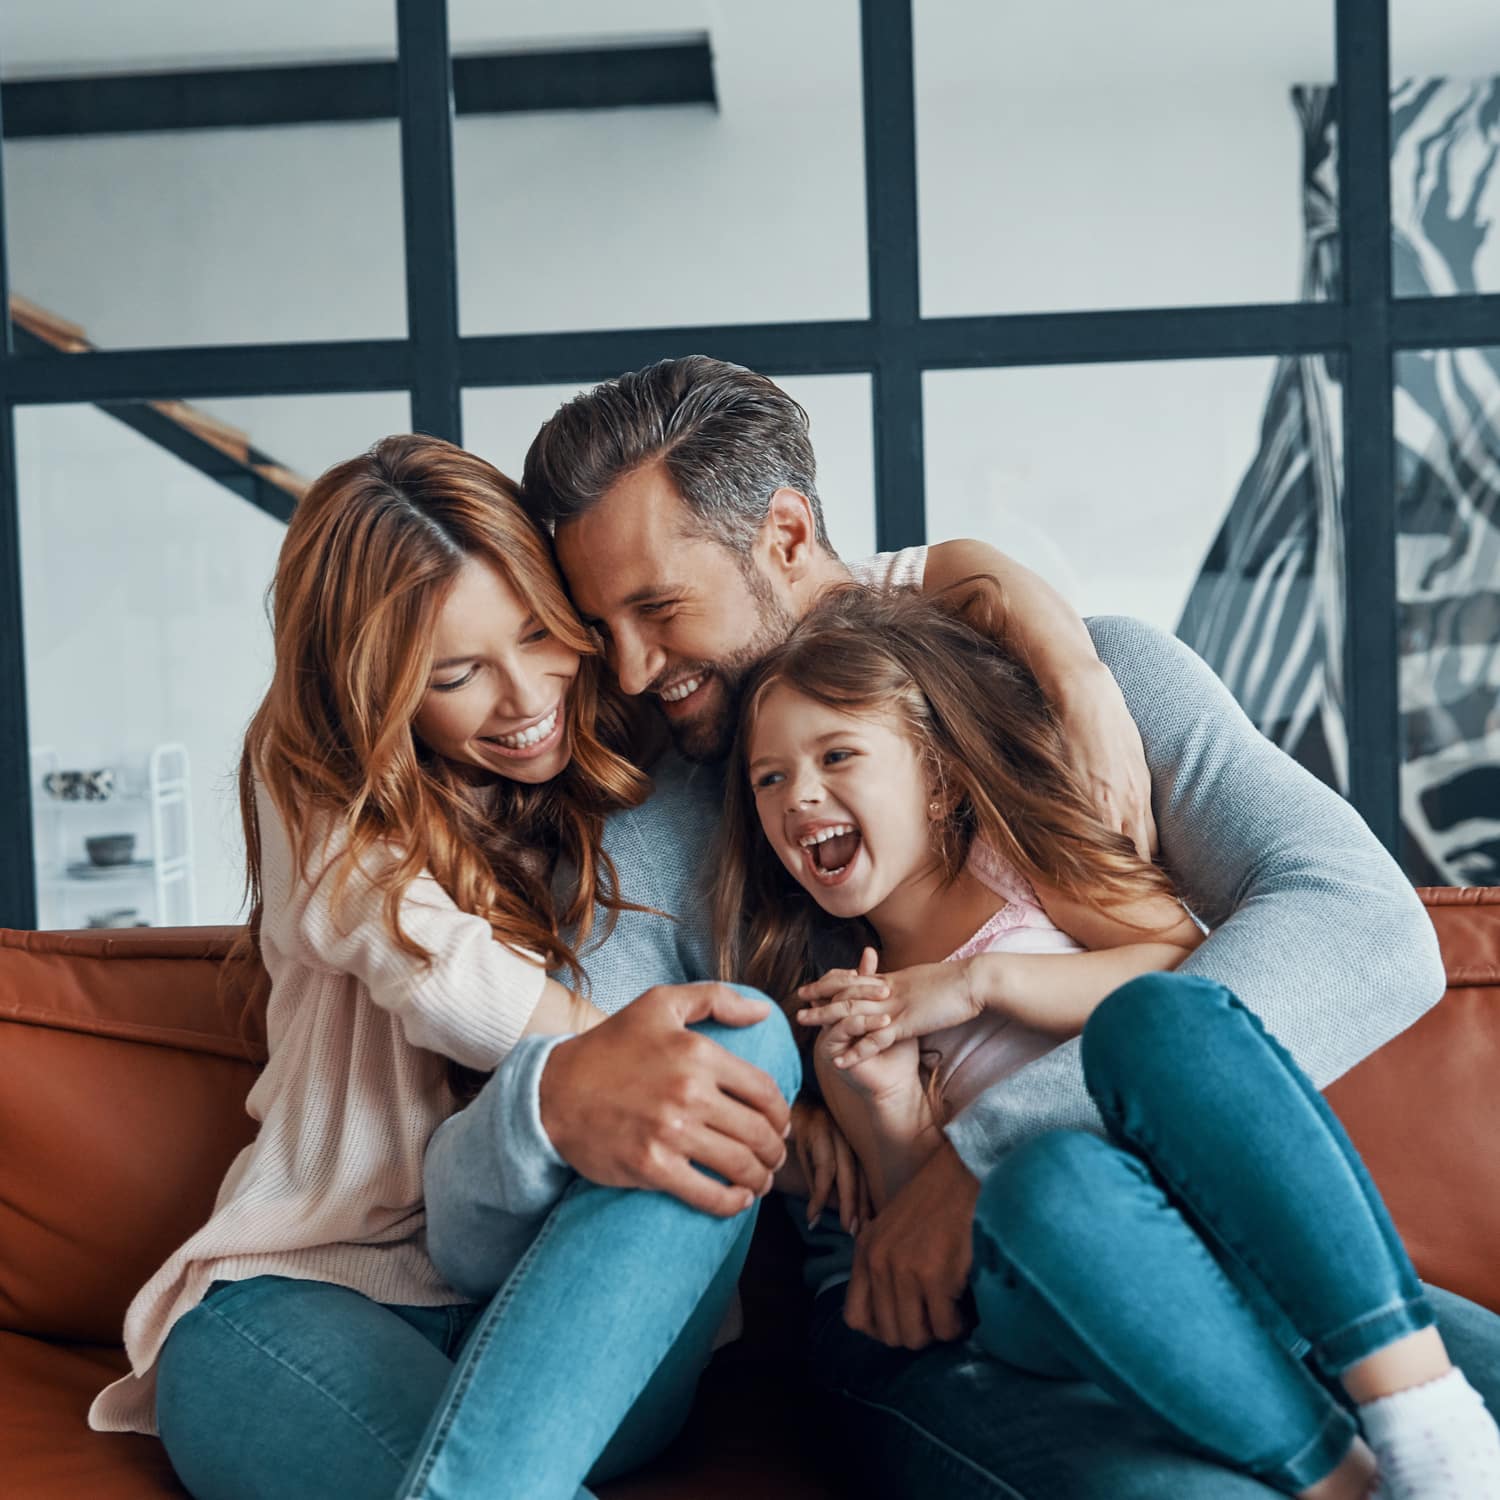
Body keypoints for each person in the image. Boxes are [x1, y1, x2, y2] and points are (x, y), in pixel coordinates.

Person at [428, 354, 1500, 1498]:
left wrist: (983, 1158)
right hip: (937, 1329)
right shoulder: (647, 838)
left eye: (660, 608)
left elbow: (1369, 933)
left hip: (1208, 1242)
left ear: (786, 536)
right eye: (602, 626)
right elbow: (601, 1120)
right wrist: (853, 1149)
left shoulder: (1090, 686)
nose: (633, 671)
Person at [87, 434, 802, 1500]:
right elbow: (440, 973)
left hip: (580, 1323)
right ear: (376, 693)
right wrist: (585, 1069)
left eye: (540, 633)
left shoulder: (634, 731)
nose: (524, 699)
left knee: (739, 1031)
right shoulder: (322, 789)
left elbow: (806, 594)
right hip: (310, 1297)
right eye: (458, 675)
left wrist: (991, 582)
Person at [716, 583, 1500, 1499]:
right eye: (770, 779)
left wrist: (979, 979)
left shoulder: (1023, 870)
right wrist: (885, 1103)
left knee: (1156, 1024)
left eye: (838, 754)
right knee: (1050, 1187)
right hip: (1033, 1284)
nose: (799, 795)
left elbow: (1185, 971)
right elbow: (925, 1250)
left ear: (934, 775)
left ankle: (1418, 1432)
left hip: (1183, 1228)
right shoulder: (839, 996)